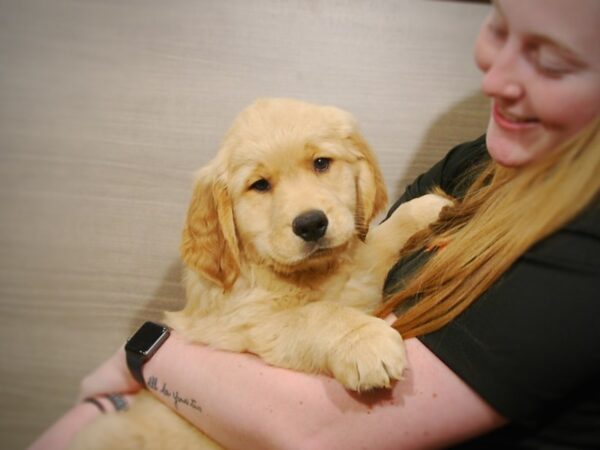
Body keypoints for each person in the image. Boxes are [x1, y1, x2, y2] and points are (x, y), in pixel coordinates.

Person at [29, 0, 600, 448]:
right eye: (498, 25)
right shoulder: (478, 157)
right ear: (220, 219)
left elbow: (320, 431)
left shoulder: (583, 243)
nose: (305, 208)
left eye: (321, 163)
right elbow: (309, 297)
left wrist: (142, 356)